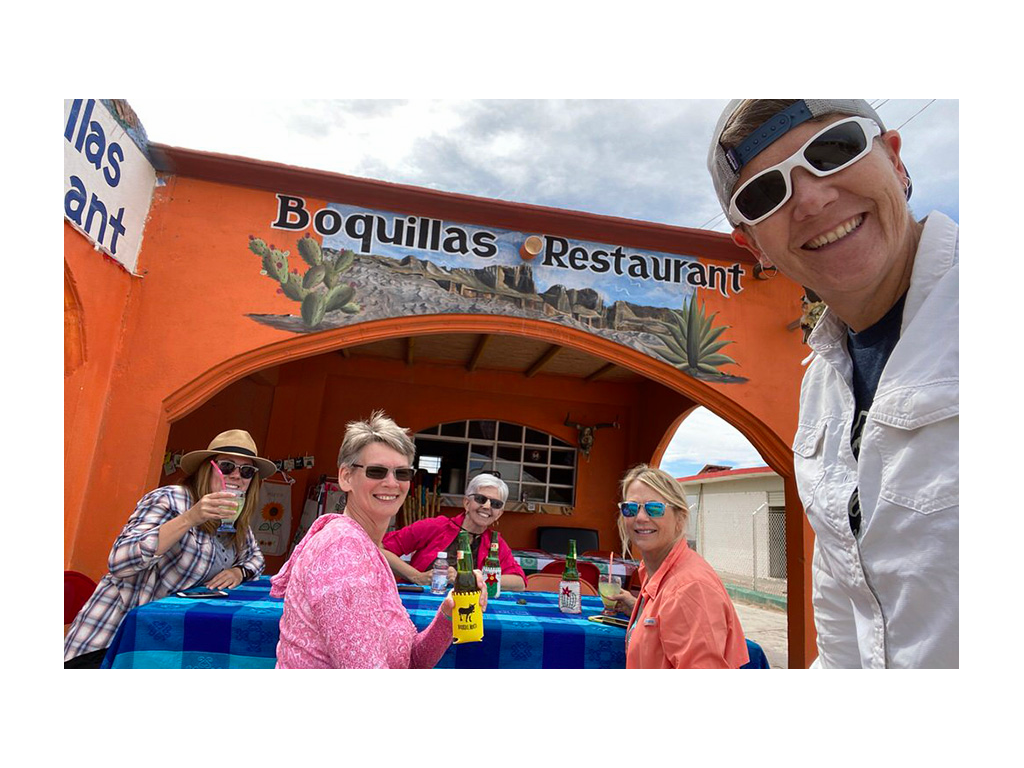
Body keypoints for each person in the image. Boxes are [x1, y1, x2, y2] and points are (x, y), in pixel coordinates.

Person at [707, 99, 958, 668]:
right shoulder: (821, 384)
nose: (812, 199)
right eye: (766, 193)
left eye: (834, 149)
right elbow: (845, 627)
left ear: (894, 157)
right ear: (753, 246)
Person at [271, 411, 487, 668]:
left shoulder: (362, 546)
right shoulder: (342, 552)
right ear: (346, 477)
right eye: (376, 471)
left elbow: (410, 661)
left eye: (402, 473)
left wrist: (448, 615)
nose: (392, 483)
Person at [64, 429, 271, 667]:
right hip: (114, 636)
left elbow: (255, 558)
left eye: (246, 471)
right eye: (227, 466)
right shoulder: (171, 498)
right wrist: (191, 518)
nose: (236, 476)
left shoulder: (233, 517)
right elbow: (119, 560)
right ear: (208, 468)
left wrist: (239, 572)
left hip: (165, 640)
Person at [617, 464, 748, 669]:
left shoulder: (689, 588)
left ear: (680, 518)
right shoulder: (656, 570)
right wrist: (637, 608)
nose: (641, 517)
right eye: (630, 508)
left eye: (654, 508)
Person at [381, 473, 526, 592]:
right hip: (422, 603)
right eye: (481, 499)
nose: (487, 506)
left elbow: (519, 582)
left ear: (499, 513)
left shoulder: (495, 542)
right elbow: (380, 549)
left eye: (496, 504)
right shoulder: (436, 526)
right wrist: (416, 577)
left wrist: (473, 577)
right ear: (467, 503)